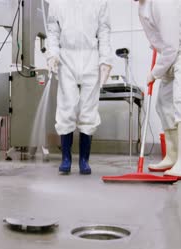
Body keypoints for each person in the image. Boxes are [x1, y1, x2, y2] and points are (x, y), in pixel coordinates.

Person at [134, 0, 181, 180]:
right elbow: (160, 40)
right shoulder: (142, 6)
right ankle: (172, 156)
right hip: (171, 52)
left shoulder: (161, 2)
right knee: (163, 104)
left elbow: (171, 46)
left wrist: (154, 73)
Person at [46, 0, 112, 175]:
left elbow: (104, 31)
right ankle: (66, 158)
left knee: (88, 109)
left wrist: (105, 60)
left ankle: (84, 160)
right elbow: (53, 31)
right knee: (66, 107)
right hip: (66, 58)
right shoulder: (57, 3)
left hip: (91, 56)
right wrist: (53, 54)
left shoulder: (99, 2)